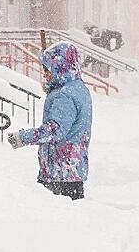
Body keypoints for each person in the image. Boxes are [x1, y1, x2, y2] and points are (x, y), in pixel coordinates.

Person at [7, 42, 93, 200]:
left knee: (54, 220)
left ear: (60, 67)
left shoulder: (64, 95)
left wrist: (23, 137)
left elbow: (55, 130)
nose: (45, 74)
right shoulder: (77, 88)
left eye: (48, 70)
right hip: (71, 171)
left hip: (60, 174)